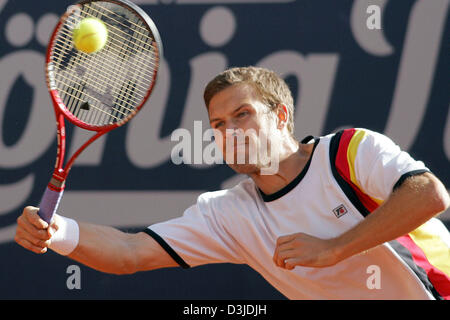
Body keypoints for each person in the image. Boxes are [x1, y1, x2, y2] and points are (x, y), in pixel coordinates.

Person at [15, 66, 450, 299]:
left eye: (242, 114)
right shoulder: (227, 214)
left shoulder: (349, 152)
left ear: (281, 116)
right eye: (218, 124)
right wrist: (58, 232)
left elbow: (428, 194)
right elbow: (130, 253)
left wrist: (331, 249)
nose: (229, 131)